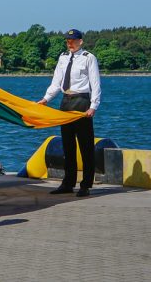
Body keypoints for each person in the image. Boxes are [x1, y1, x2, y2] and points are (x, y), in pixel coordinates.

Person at [38, 29, 101, 197]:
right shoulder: (63, 58)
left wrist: (93, 106)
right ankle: (68, 183)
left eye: (73, 40)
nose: (70, 43)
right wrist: (46, 99)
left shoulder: (89, 58)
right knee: (68, 146)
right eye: (67, 41)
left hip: (82, 101)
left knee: (85, 146)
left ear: (80, 41)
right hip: (65, 101)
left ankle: (86, 185)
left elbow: (95, 83)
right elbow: (56, 81)